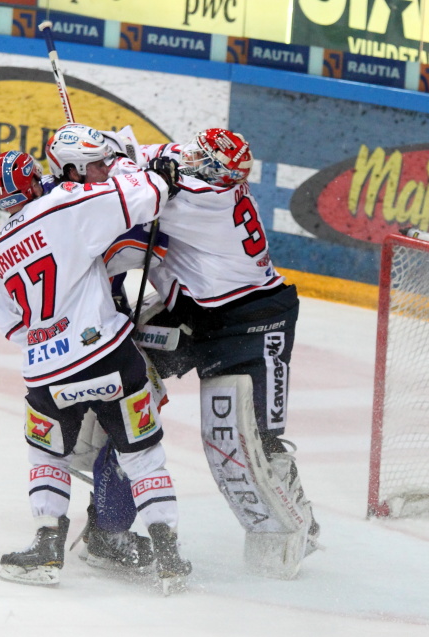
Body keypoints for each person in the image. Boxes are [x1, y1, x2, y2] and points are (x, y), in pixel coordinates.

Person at [89, 128, 320, 579]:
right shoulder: (199, 168)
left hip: (252, 322)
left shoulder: (209, 201)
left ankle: (300, 526)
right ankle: (106, 528)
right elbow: (137, 152)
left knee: (258, 439)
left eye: (201, 155)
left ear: (216, 170)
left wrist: (88, 176)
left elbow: (137, 195)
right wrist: (98, 152)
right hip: (191, 312)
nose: (190, 154)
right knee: (126, 391)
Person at [0, 140, 191, 593]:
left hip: (47, 374)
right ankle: (168, 554)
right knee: (143, 455)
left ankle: (46, 545)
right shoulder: (66, 204)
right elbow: (145, 196)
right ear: (36, 180)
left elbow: (14, 328)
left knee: (46, 454)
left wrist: (52, 341)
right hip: (111, 357)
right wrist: (159, 173)